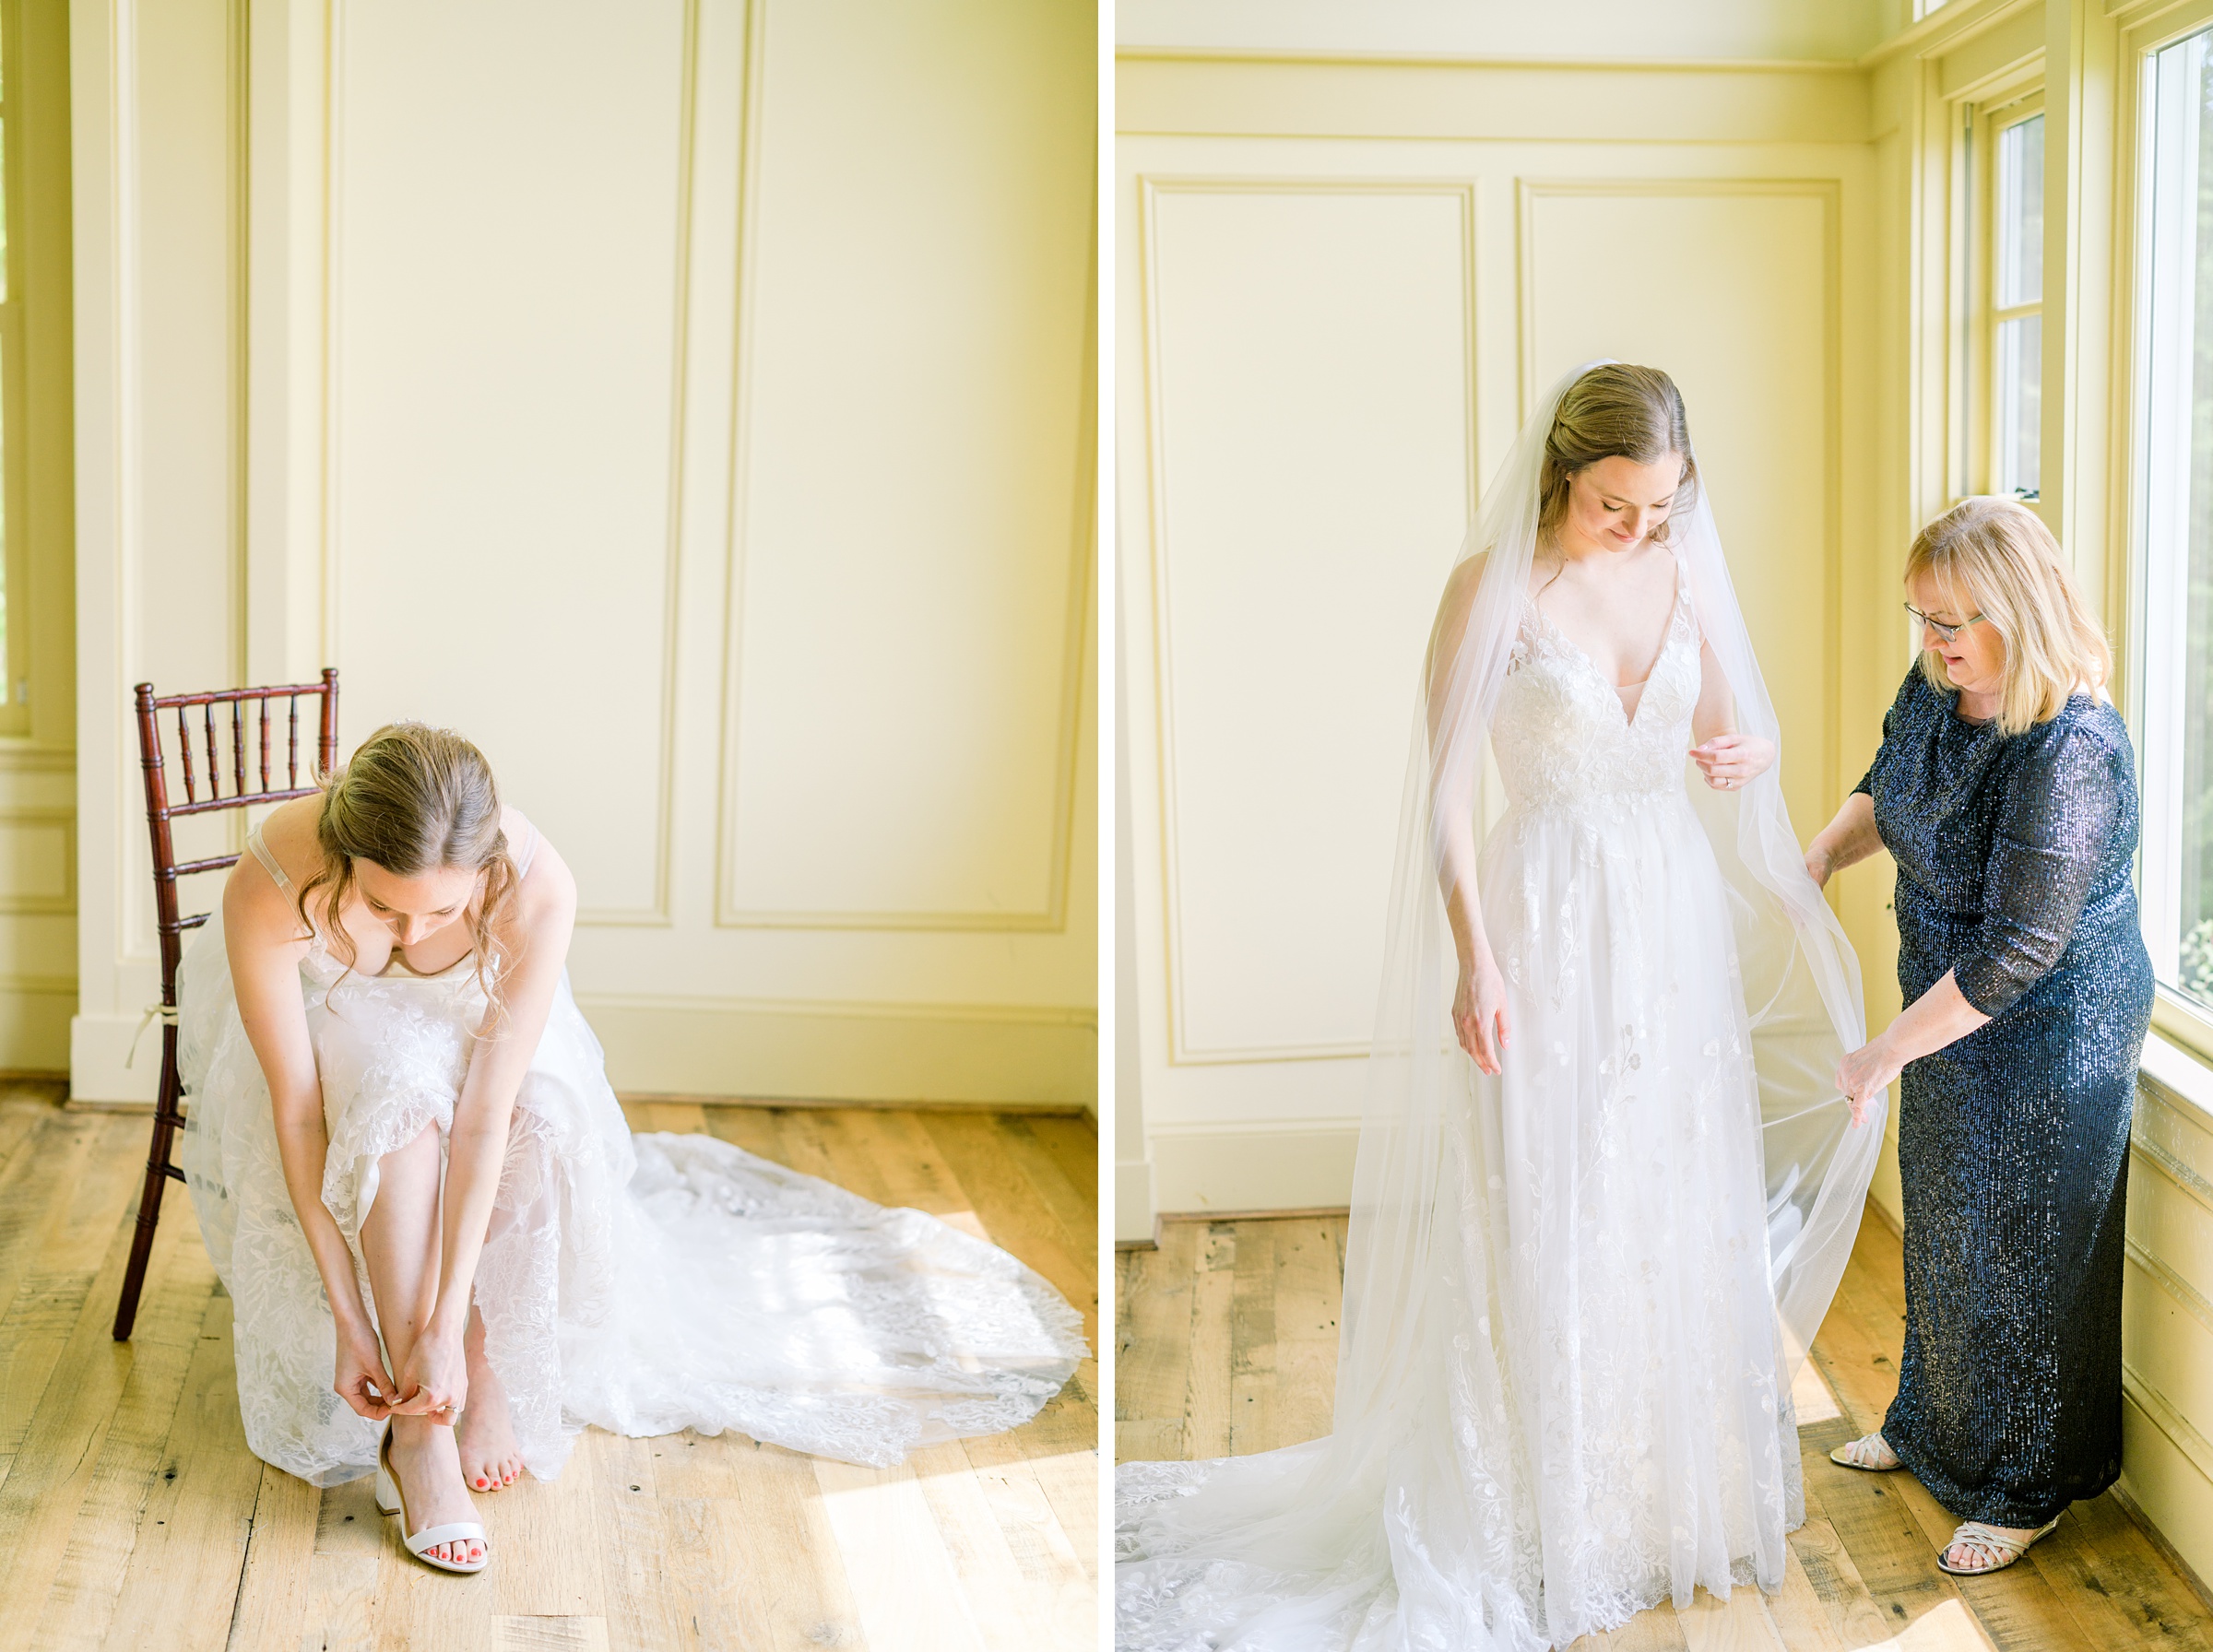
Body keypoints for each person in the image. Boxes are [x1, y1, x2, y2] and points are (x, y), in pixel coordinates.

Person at [1117, 362, 1882, 1649]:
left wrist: (1755, 754)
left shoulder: (1685, 570)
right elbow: (1447, 799)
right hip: (1546, 917)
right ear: (1561, 477)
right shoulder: (1491, 592)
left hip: (1668, 919)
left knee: (1663, 1186)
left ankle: (1647, 1502)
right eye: (1614, 508)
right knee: (1547, 1192)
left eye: (1662, 506)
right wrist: (1478, 958)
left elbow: (1730, 734)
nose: (1640, 531)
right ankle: (1533, 1506)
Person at [180, 723, 1083, 1574]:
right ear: (342, 859)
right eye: (382, 907)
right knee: (397, 1118)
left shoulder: (536, 888)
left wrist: (450, 1325)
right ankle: (419, 1432)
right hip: (348, 1020)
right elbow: (299, 1114)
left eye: (439, 912)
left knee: (541, 1114)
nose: (412, 935)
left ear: (484, 871)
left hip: (479, 1023)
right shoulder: (271, 884)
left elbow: (488, 1112)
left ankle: (475, 1370)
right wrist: (349, 1319)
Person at [1805, 495, 2152, 1576]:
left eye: (1956, 620)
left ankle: (2027, 1484)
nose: (1935, 642)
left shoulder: (2071, 746)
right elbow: (1890, 787)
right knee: (1950, 1228)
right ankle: (1931, 1429)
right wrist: (1817, 855)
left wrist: (1878, 1052)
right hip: (1943, 1006)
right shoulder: (1937, 688)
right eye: (1922, 618)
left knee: (2030, 1255)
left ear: (2023, 608)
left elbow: (2014, 955)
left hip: (2053, 1032)